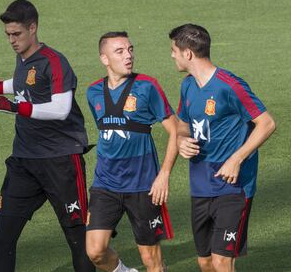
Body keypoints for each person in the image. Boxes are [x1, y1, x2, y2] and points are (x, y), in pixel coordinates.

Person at [0, 0, 95, 272]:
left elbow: (60, 109)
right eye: (8, 35)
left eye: (17, 34)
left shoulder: (55, 62)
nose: (11, 40)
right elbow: (22, 82)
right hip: (24, 160)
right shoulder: (23, 58)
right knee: (4, 236)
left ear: (32, 28)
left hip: (61, 161)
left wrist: (14, 107)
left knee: (78, 239)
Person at [169, 23, 276, 272]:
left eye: (174, 50)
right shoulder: (187, 85)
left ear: (188, 54)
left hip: (233, 186)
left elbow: (267, 123)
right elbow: (184, 124)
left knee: (221, 262)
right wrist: (181, 140)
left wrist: (237, 158)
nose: (172, 54)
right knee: (205, 262)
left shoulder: (230, 85)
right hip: (200, 184)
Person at [85, 31, 178, 272]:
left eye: (130, 50)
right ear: (104, 59)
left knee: (152, 261)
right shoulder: (93, 91)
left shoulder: (147, 86)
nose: (128, 56)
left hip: (143, 185)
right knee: (95, 251)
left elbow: (176, 131)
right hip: (105, 183)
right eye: (120, 51)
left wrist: (164, 175)